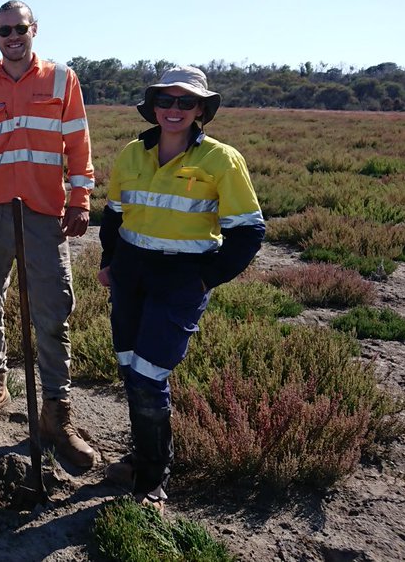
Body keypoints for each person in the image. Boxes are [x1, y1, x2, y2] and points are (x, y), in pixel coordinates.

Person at [97, 65, 265, 511]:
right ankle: (140, 457)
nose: (174, 109)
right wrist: (109, 262)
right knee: (131, 368)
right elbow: (114, 215)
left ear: (201, 110)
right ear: (153, 106)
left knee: (150, 375)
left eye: (186, 102)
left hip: (181, 279)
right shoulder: (133, 153)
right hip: (131, 274)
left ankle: (152, 480)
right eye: (166, 101)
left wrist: (205, 279)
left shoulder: (221, 160)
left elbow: (248, 232)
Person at [0, 0, 98, 467]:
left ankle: (56, 413)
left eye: (20, 28)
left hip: (43, 213)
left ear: (34, 30)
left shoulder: (61, 80)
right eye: (5, 30)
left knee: (53, 310)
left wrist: (80, 200)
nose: (13, 37)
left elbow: (78, 144)